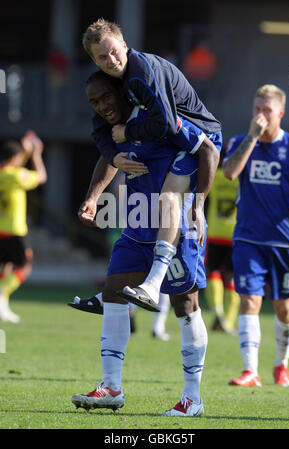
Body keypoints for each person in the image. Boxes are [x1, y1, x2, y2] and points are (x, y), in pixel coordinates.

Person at [71, 70, 208, 417]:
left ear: (122, 93)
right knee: (114, 291)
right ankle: (111, 386)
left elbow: (207, 149)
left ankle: (192, 398)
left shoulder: (159, 118)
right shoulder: (116, 130)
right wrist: (93, 197)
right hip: (135, 226)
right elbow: (109, 157)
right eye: (94, 102)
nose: (102, 106)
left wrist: (199, 204)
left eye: (106, 98)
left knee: (184, 304)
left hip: (175, 227)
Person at [81, 18, 221, 310]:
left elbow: (167, 124)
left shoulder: (141, 72)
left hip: (197, 138)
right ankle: (117, 288)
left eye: (114, 52)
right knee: (144, 211)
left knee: (168, 199)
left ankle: (154, 284)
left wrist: (198, 204)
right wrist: (112, 158)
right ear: (94, 60)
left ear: (124, 45)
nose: (111, 60)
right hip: (172, 140)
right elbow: (101, 132)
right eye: (102, 57)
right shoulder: (110, 82)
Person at [222, 84, 289, 387]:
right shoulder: (241, 141)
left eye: (266, 109)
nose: (261, 115)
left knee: (284, 307)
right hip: (248, 237)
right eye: (256, 109)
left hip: (285, 241)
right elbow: (229, 172)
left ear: (280, 112)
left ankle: (282, 364)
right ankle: (250, 370)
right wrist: (253, 137)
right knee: (249, 300)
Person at [0, 132, 47, 323]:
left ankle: (3, 305)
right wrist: (36, 154)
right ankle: (2, 295)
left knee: (5, 268)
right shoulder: (16, 175)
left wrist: (24, 154)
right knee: (25, 266)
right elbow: (41, 177)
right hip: (14, 229)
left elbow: (16, 167)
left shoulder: (4, 173)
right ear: (15, 158)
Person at [204, 165, 240, 334]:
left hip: (215, 232)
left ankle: (217, 311)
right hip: (236, 234)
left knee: (213, 272)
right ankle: (228, 322)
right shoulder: (241, 179)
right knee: (232, 277)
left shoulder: (216, 176)